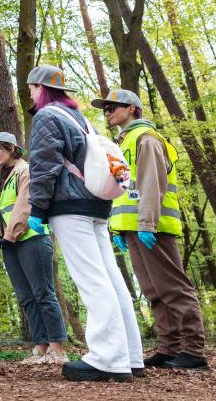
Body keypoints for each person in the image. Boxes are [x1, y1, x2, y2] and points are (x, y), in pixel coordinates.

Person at [26, 65, 144, 382]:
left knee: (92, 280)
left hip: (70, 206)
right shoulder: (80, 119)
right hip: (97, 203)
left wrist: (37, 208)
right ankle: (130, 356)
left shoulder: (46, 117)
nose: (30, 95)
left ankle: (107, 358)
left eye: (31, 88)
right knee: (111, 278)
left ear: (41, 88)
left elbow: (45, 166)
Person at [93, 88, 207, 370]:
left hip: (153, 227)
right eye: (105, 108)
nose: (107, 112)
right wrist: (118, 228)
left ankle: (193, 350)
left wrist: (147, 224)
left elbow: (152, 184)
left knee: (173, 288)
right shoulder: (124, 143)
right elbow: (124, 190)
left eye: (113, 107)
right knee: (153, 290)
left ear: (132, 109)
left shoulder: (146, 138)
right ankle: (170, 348)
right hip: (134, 228)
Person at [0, 132, 68, 365]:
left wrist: (9, 234)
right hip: (8, 243)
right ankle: (41, 347)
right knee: (26, 297)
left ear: (11, 148)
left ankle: (57, 349)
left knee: (43, 294)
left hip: (32, 238)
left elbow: (24, 206)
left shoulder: (26, 171)